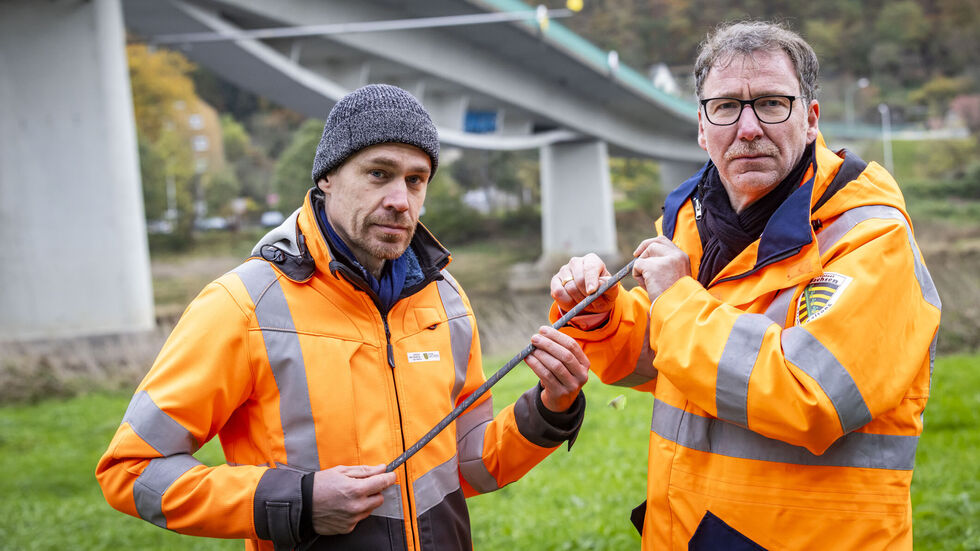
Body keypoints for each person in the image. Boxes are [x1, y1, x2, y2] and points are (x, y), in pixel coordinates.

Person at [97, 84, 590, 550]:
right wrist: (301, 501)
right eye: (379, 173)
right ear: (327, 177)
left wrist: (551, 407)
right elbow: (130, 469)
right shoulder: (243, 304)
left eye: (416, 180)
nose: (401, 200)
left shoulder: (446, 299)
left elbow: (471, 464)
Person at [550, 21, 940, 550]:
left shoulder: (871, 237)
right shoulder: (689, 219)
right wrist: (606, 316)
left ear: (810, 120)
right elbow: (669, 359)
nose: (748, 127)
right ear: (701, 127)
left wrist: (676, 298)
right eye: (727, 106)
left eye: (772, 103)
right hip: (686, 533)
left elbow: (812, 395)